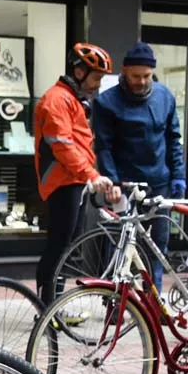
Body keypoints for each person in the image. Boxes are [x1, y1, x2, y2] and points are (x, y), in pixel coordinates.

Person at [93, 41, 186, 289]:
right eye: (136, 76)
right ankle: (114, 304)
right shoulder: (106, 103)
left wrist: (179, 175)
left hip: (160, 184)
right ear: (124, 72)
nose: (142, 81)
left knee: (157, 245)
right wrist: (112, 182)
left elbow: (173, 139)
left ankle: (153, 304)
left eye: (147, 76)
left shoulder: (165, 97)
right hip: (125, 185)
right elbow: (104, 147)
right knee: (120, 246)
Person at [34, 43, 120, 305]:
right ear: (80, 71)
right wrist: (91, 176)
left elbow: (78, 145)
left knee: (65, 248)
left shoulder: (71, 99)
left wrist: (90, 175)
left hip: (73, 180)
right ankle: (47, 307)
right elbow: (62, 145)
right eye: (96, 78)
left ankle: (52, 305)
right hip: (63, 182)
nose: (98, 85)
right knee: (59, 247)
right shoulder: (56, 100)